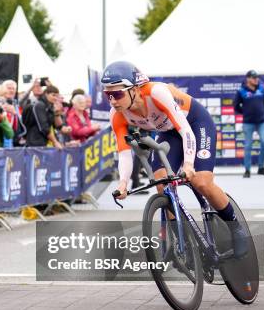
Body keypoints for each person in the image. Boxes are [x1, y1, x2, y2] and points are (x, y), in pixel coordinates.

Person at [106, 61, 248, 257]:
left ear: (135, 89)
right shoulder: (116, 114)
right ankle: (183, 242)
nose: (113, 100)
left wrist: (189, 165)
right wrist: (123, 184)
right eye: (108, 95)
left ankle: (236, 229)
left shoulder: (156, 93)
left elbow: (186, 131)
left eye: (118, 93)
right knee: (161, 184)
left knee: (201, 181)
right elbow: (123, 153)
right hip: (168, 132)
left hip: (195, 124)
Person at [233, 70, 264, 177]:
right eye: (254, 77)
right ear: (248, 79)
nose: (256, 79)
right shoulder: (241, 91)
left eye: (257, 77)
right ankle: (247, 170)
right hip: (248, 122)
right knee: (248, 146)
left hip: (262, 122)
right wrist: (244, 112)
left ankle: (261, 167)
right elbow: (236, 106)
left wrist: (263, 112)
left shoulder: (262, 89)